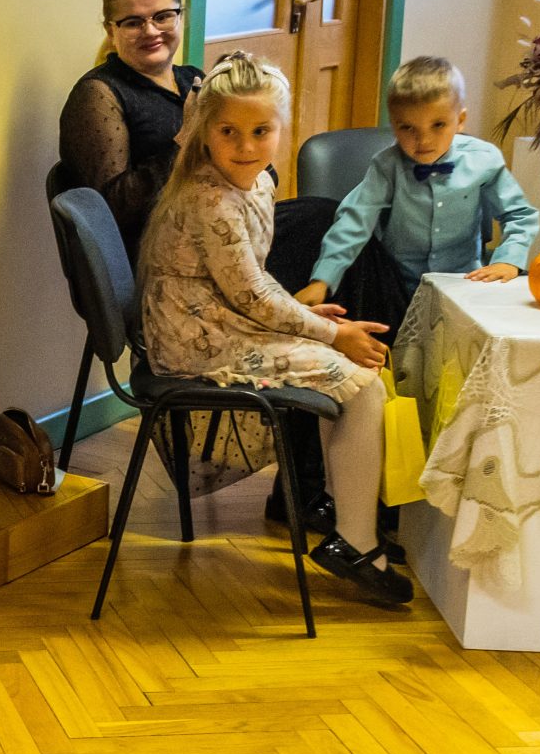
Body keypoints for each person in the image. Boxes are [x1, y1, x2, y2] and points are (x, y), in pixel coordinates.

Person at [138, 53, 412, 606]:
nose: (245, 146)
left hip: (223, 317)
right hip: (196, 338)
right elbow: (251, 296)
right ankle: (357, 543)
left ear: (282, 128)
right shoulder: (209, 199)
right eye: (229, 132)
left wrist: (310, 319)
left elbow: (255, 284)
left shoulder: (258, 183)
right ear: (206, 131)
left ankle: (342, 515)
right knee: (362, 385)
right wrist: (329, 334)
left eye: (261, 131)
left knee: (354, 375)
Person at [295, 56, 539, 329]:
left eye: (438, 125)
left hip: (464, 286)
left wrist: (508, 261)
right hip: (397, 288)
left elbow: (520, 215)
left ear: (460, 120)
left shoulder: (483, 159)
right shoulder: (386, 166)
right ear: (393, 124)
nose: (423, 140)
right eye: (407, 127)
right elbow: (354, 222)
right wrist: (322, 280)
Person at [58, 0, 202, 258]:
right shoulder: (98, 95)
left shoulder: (194, 79)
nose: (150, 31)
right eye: (134, 22)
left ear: (180, 17)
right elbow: (113, 211)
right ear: (111, 30)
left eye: (163, 16)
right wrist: (187, 137)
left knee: (305, 218)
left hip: (219, 230)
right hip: (161, 258)